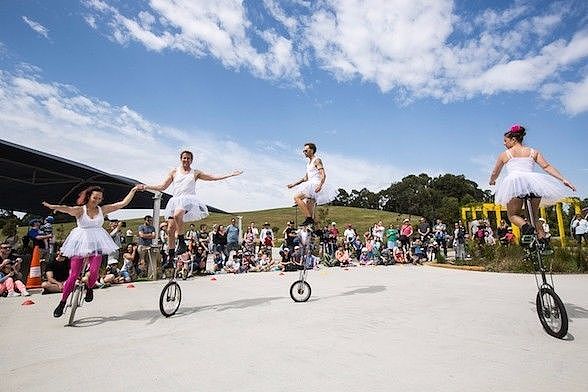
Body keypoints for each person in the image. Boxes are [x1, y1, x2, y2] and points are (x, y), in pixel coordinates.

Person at [42, 185, 139, 318]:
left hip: (96, 243)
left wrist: (133, 191)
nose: (97, 200)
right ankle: (62, 302)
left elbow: (121, 204)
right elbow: (67, 209)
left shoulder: (102, 209)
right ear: (88, 197)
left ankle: (89, 288)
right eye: (95, 198)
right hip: (80, 243)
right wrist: (54, 207)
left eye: (99, 198)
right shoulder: (80, 210)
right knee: (74, 274)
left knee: (94, 271)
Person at [138, 150, 242, 262]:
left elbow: (212, 177)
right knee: (170, 229)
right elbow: (162, 186)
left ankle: (182, 241)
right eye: (184, 158)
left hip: (188, 200)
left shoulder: (195, 173)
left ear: (191, 160)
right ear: (181, 159)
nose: (186, 160)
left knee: (178, 214)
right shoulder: (174, 172)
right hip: (175, 200)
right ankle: (171, 255)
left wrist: (230, 174)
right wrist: (146, 186)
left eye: (188, 158)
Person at [490, 125, 575, 244]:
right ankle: (543, 240)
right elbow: (546, 166)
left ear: (514, 140)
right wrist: (563, 179)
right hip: (533, 184)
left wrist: (492, 180)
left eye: (505, 141)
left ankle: (525, 227)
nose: (504, 144)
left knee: (513, 215)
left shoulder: (505, 154)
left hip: (515, 184)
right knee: (534, 216)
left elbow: (495, 172)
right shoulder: (533, 152)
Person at [287, 142, 336, 226]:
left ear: (312, 150)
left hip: (314, 185)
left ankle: (308, 218)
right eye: (303, 151)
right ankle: (316, 229)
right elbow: (305, 178)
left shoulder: (316, 160)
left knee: (296, 197)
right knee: (310, 210)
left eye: (306, 150)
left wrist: (320, 185)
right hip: (310, 185)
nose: (304, 152)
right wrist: (293, 184)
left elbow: (323, 174)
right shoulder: (308, 164)